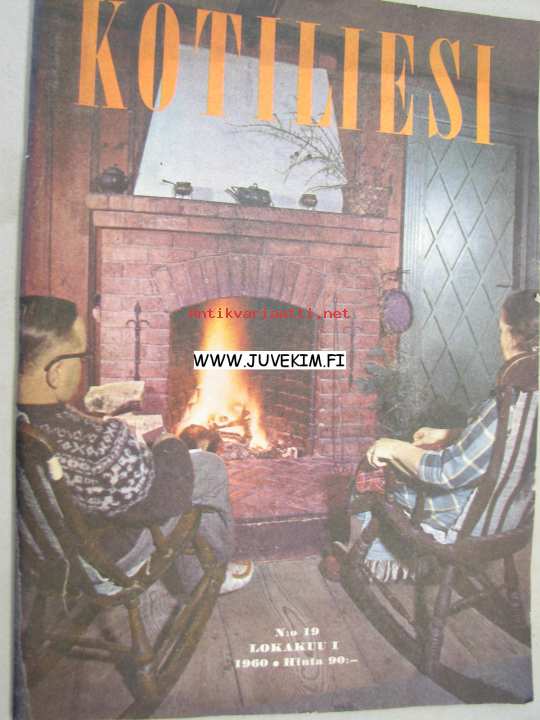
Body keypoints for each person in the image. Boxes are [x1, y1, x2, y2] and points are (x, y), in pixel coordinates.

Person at [16, 295, 253, 594]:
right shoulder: (96, 449)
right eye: (82, 355)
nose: (83, 363)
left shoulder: (22, 422)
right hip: (99, 563)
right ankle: (208, 575)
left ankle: (200, 573)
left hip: (41, 554)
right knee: (209, 467)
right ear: (57, 372)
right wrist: (169, 443)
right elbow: (164, 501)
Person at [329, 290, 539, 581]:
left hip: (469, 521)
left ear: (511, 334)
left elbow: (445, 472)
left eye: (500, 329)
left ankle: (373, 564)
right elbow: (508, 443)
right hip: (513, 518)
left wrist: (391, 447)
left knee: (373, 473)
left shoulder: (508, 403)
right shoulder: (529, 400)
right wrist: (450, 434)